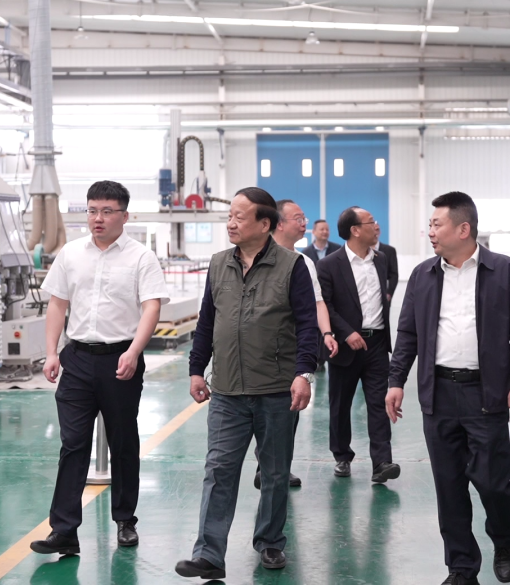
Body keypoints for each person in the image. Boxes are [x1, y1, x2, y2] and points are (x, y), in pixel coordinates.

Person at [386, 191, 510, 585]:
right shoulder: (423, 275)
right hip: (438, 394)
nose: (430, 232)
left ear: (463, 229)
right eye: (430, 224)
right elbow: (407, 333)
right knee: (449, 485)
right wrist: (396, 380)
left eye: (437, 224)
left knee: (492, 482)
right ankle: (462, 568)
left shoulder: (504, 271)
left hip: (484, 394)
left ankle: (503, 540)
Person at [175, 187, 320, 580]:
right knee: (219, 469)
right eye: (230, 216)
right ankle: (209, 554)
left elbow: (307, 325)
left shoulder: (292, 266)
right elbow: (207, 321)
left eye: (240, 217)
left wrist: (303, 374)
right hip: (226, 391)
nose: (231, 223)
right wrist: (196, 369)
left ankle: (270, 541)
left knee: (274, 472)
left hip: (276, 389)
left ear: (265, 224)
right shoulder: (219, 263)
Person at [32, 180, 169, 556]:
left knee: (123, 442)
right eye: (92, 210)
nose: (98, 218)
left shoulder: (141, 258)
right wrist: (51, 352)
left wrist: (135, 351)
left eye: (107, 211)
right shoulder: (71, 254)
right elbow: (57, 304)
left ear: (125, 216)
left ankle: (125, 520)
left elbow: (152, 307)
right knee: (72, 444)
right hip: (77, 359)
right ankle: (64, 530)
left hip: (120, 359)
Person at [251, 199, 338, 490]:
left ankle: (278, 467)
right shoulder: (257, 257)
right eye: (298, 218)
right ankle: (266, 465)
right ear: (279, 223)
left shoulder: (305, 263)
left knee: (290, 410)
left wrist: (327, 333)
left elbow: (317, 302)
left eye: (304, 219)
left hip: (292, 351)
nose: (304, 224)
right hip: (260, 351)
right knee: (261, 411)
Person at [318, 206, 400, 483]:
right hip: (345, 346)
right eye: (370, 222)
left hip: (376, 344)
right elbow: (325, 305)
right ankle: (342, 455)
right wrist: (346, 332)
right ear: (355, 230)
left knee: (378, 402)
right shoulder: (329, 265)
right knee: (340, 404)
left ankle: (382, 462)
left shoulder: (381, 259)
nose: (376, 227)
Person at [373, 221, 399, 301]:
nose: (375, 233)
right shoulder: (362, 250)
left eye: (377, 230)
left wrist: (389, 293)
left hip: (383, 296)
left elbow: (393, 274)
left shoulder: (389, 250)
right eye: (373, 230)